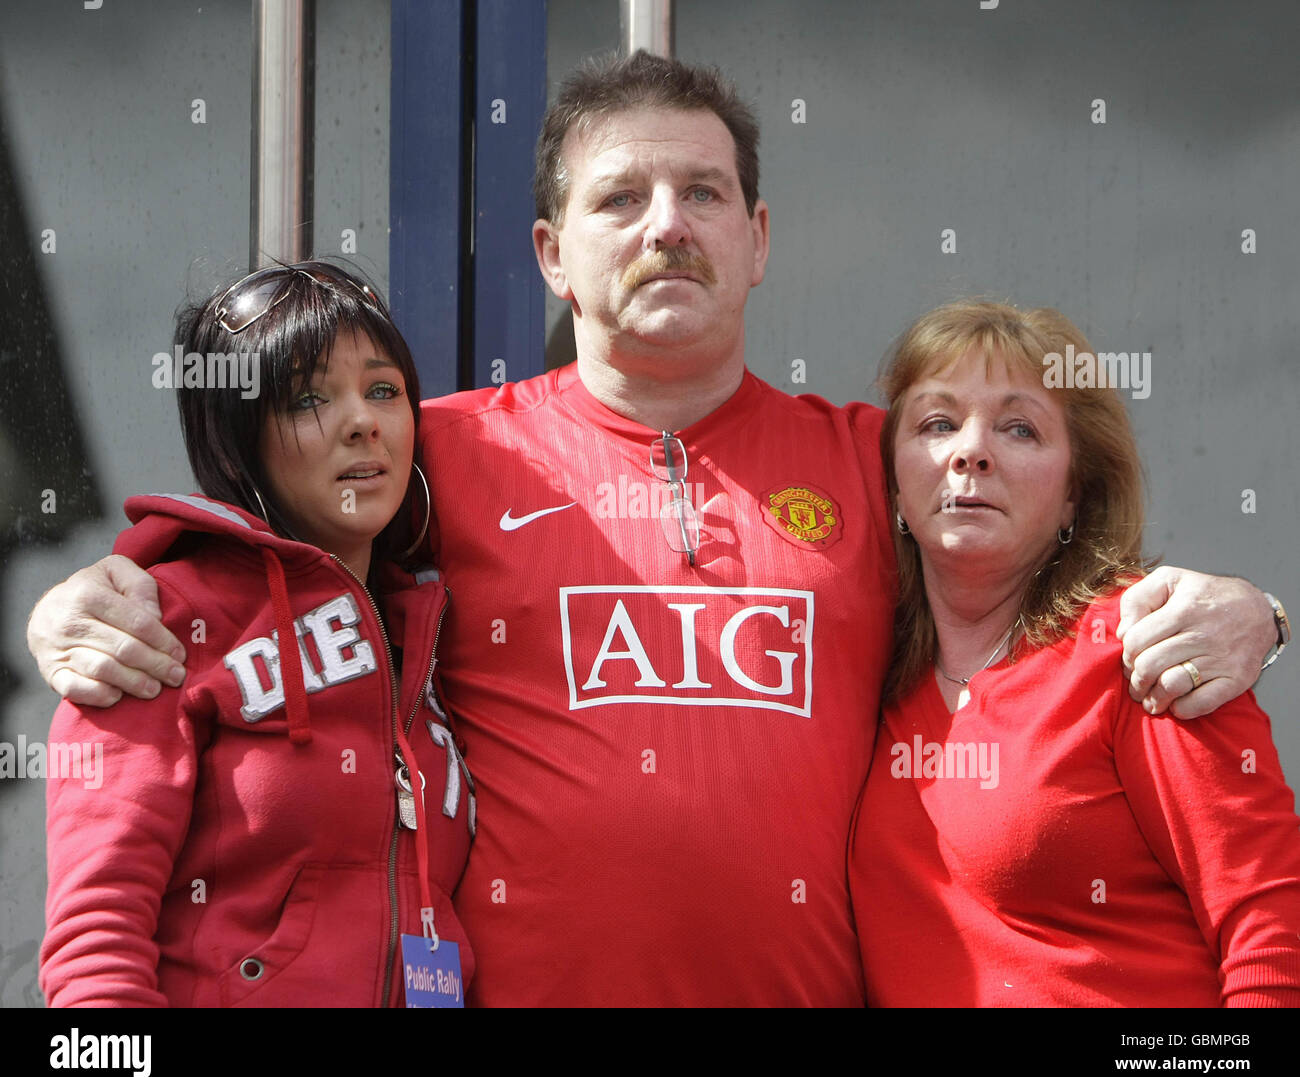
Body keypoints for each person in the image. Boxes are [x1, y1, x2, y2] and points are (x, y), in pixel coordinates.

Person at [26, 54, 1287, 1006]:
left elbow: (1054, 570)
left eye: (703, 193)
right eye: (618, 198)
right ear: (550, 256)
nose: (665, 224)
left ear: (758, 242)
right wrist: (84, 595)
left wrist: (1254, 611)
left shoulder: (878, 453)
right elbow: (254, 558)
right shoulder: (437, 452)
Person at [40, 262, 476, 1007]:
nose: (362, 420)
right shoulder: (152, 622)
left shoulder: (433, 635)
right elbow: (95, 939)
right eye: (308, 397)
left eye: (383, 390)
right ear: (241, 437)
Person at [850, 300, 1300, 1007]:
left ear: (1073, 497)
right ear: (896, 488)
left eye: (1019, 428)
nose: (971, 451)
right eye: (937, 424)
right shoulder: (861, 676)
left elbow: (1271, 927)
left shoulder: (1146, 644)